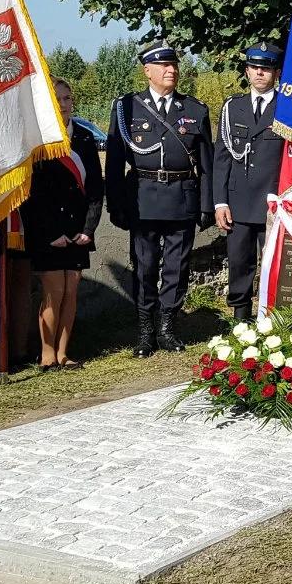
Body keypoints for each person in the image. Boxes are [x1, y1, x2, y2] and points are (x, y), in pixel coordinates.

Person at [105, 40, 213, 357]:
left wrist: (207, 205)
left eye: (174, 65)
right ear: (147, 71)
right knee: (145, 266)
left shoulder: (195, 110)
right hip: (142, 199)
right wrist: (117, 204)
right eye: (164, 65)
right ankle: (145, 331)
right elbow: (113, 164)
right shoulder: (126, 108)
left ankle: (167, 328)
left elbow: (207, 164)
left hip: (182, 198)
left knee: (176, 268)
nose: (171, 70)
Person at [19, 78, 103, 371]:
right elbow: (31, 194)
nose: (64, 104)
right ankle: (46, 353)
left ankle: (65, 352)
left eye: (67, 98)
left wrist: (88, 229)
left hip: (78, 229)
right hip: (48, 231)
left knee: (71, 289)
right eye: (58, 99)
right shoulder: (40, 141)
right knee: (53, 290)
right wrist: (50, 233)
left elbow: (94, 189)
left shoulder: (82, 137)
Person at [212, 42, 284, 322]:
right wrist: (220, 201)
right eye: (254, 68)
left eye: (265, 69)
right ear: (247, 71)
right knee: (240, 262)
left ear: (276, 73)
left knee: (273, 264)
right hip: (238, 200)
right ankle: (241, 318)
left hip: (272, 202)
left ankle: (272, 318)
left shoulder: (287, 110)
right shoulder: (233, 107)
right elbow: (222, 158)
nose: (259, 73)